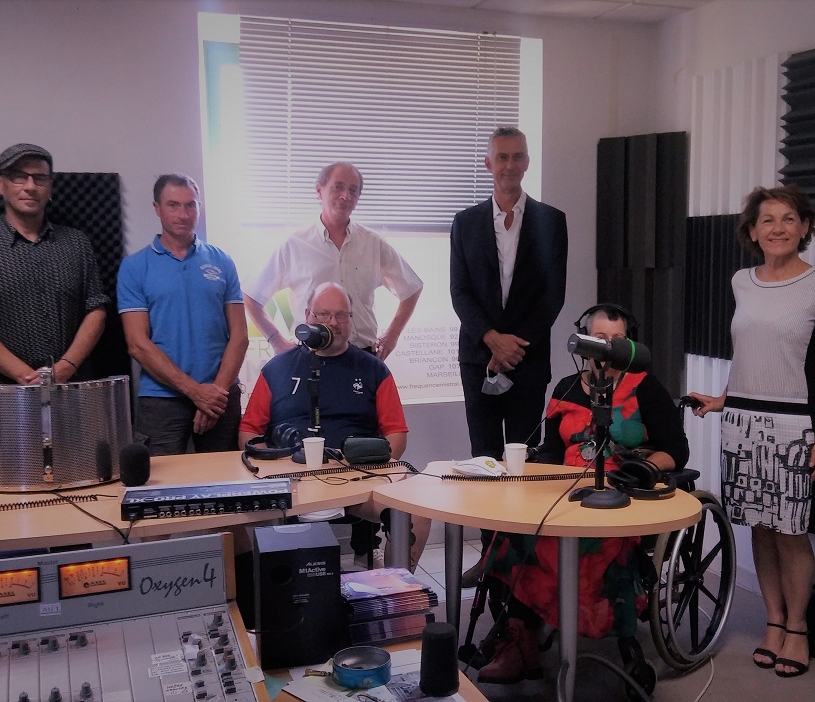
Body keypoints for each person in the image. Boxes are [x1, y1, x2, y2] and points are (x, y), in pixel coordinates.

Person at [475, 304, 689, 684]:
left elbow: (676, 449)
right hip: (566, 493)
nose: (608, 348)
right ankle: (521, 642)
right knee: (518, 529)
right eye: (600, 339)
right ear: (584, 341)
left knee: (562, 542)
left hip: (620, 497)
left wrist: (645, 470)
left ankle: (541, 634)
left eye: (617, 340)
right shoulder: (566, 388)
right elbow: (551, 452)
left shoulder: (644, 387)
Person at [687, 184, 815, 678]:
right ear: (752, 231)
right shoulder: (742, 281)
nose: (778, 228)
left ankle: (797, 627)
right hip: (742, 422)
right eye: (767, 220)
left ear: (805, 226)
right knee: (759, 525)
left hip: (796, 424)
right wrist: (724, 398)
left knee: (791, 531)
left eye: (789, 218)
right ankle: (773, 621)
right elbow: (749, 352)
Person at [238, 282, 429, 568]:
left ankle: (396, 587)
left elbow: (396, 434)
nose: (333, 323)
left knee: (418, 508)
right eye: (324, 315)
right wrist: (275, 464)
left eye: (341, 315)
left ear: (351, 319)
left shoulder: (373, 369)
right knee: (235, 520)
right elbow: (248, 432)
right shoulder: (277, 368)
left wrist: (366, 464)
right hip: (291, 483)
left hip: (354, 480)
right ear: (307, 315)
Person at [450, 126, 567, 586]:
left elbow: (552, 296)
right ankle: (490, 556)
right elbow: (460, 292)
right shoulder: (465, 222)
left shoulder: (551, 221)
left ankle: (519, 559)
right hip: (477, 358)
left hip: (528, 359)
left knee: (522, 458)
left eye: (517, 157)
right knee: (484, 458)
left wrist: (514, 346)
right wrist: (492, 340)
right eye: (501, 157)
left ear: (527, 162)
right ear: (488, 164)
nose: (509, 166)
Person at [0, 143, 108, 385]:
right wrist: (28, 377)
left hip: (71, 389)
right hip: (5, 394)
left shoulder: (76, 243)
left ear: (50, 186)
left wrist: (67, 367)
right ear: (0, 184)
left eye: (39, 178)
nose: (30, 187)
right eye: (19, 177)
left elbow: (96, 311)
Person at [117, 174, 249, 456]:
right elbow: (137, 344)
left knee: (224, 480)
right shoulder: (135, 267)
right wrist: (196, 392)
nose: (183, 214)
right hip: (161, 398)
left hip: (220, 394)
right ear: (157, 208)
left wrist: (214, 394)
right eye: (173, 205)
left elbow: (240, 336)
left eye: (190, 205)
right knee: (159, 481)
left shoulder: (222, 261)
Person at [245, 162, 423, 359]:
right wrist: (276, 340)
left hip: (362, 357)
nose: (345, 196)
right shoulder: (294, 244)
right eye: (338, 187)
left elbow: (411, 288)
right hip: (311, 357)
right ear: (319, 191)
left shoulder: (373, 243)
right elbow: (251, 296)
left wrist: (391, 336)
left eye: (353, 190)